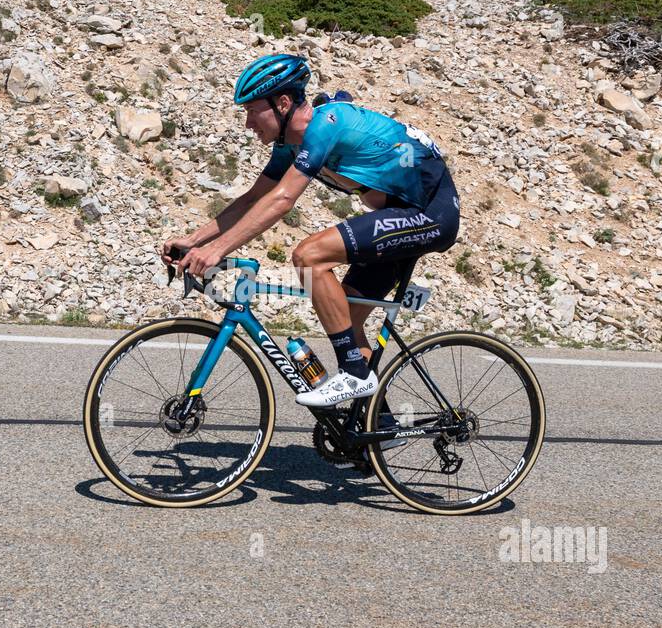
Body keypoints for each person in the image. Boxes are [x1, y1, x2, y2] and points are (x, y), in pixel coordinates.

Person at [162, 53, 459, 407]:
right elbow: (255, 198)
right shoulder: (290, 145)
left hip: (428, 215)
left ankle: (353, 373)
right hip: (400, 212)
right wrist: (195, 240)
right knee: (344, 315)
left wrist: (217, 251)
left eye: (251, 110)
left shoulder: (326, 125)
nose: (247, 123)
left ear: (283, 103)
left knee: (308, 255)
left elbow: (283, 199)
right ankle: (371, 429)